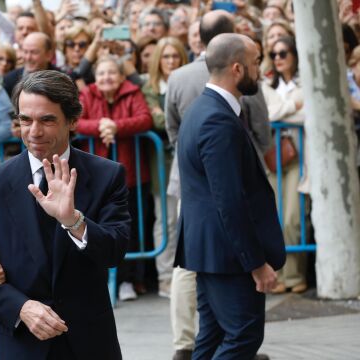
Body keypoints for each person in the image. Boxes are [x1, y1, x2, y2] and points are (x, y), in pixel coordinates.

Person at [0, 70, 131, 359]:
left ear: (73, 120)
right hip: (22, 342)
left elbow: (114, 252)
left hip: (88, 341)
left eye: (47, 120)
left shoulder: (107, 175)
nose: (34, 132)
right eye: (25, 120)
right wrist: (21, 307)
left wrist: (73, 221)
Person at [164, 10, 272, 360]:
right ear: (237, 68)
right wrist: (256, 263)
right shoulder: (216, 120)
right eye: (257, 62)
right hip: (228, 255)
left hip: (210, 250)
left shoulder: (203, 110)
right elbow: (229, 200)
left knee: (210, 337)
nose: (261, 70)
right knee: (242, 335)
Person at [76, 56, 152, 301]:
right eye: (101, 73)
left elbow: (144, 119)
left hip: (131, 174)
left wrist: (116, 126)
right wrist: (102, 125)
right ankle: (100, 279)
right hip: (94, 176)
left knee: (129, 228)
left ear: (121, 77)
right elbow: (76, 122)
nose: (106, 77)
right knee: (94, 225)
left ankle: (128, 279)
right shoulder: (86, 94)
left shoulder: (133, 92)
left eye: (111, 73)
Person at [141, 37, 189, 298]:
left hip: (185, 157)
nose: (171, 61)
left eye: (175, 56)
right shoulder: (150, 88)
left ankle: (184, 276)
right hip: (162, 160)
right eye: (166, 56)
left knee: (186, 218)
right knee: (166, 218)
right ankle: (165, 277)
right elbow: (157, 119)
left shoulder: (187, 82)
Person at [260, 36, 307, 294]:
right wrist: (291, 107)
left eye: (284, 52)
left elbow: (309, 113)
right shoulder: (266, 85)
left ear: (294, 54)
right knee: (274, 219)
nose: (278, 57)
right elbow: (264, 115)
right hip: (272, 159)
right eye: (274, 53)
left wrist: (281, 110)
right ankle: (276, 275)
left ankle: (295, 274)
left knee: (292, 218)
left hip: (300, 158)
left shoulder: (306, 81)